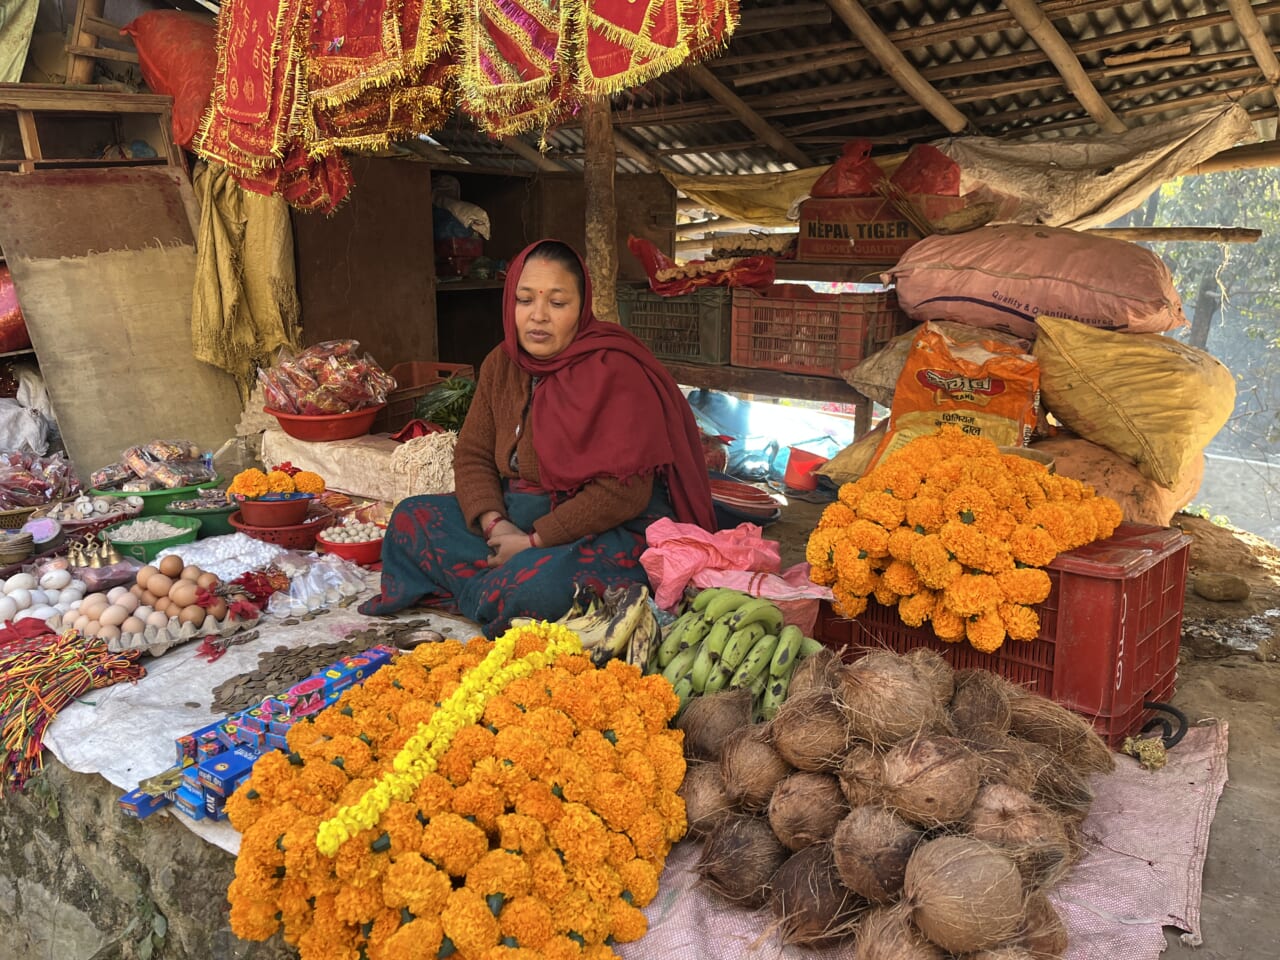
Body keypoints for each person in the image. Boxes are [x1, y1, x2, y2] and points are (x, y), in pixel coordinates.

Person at [360, 239, 716, 634]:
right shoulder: (502, 363)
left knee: (538, 589)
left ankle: (494, 591)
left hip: (597, 526)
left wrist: (533, 542)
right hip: (514, 514)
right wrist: (496, 526)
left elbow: (624, 493)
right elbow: (473, 454)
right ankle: (493, 592)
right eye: (525, 300)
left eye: (558, 303)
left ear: (582, 307)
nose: (538, 316)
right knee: (411, 520)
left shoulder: (616, 370)